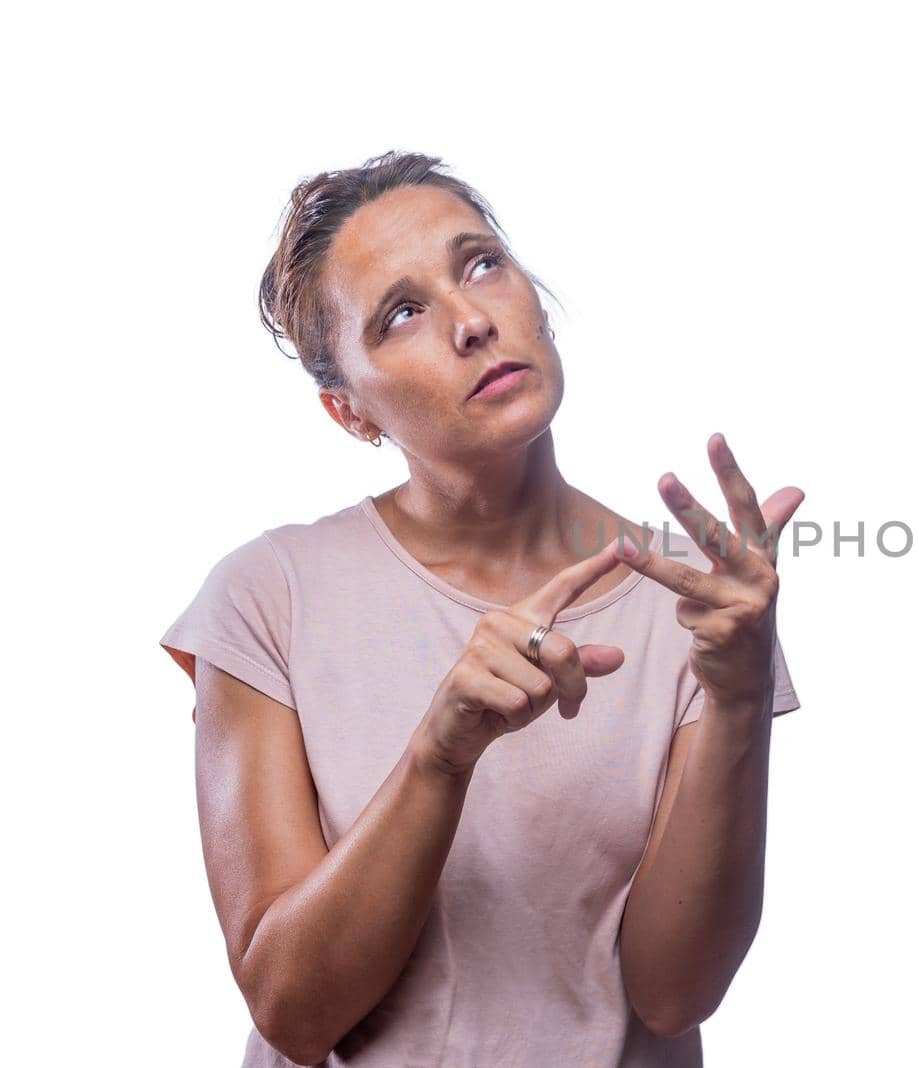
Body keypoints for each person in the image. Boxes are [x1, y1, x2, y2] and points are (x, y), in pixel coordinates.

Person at [158, 151, 804, 1067]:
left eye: (481, 264)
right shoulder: (268, 597)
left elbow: (674, 993)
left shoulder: (697, 604)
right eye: (403, 313)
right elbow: (292, 1012)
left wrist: (738, 695)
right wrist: (441, 752)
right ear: (350, 412)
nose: (471, 320)